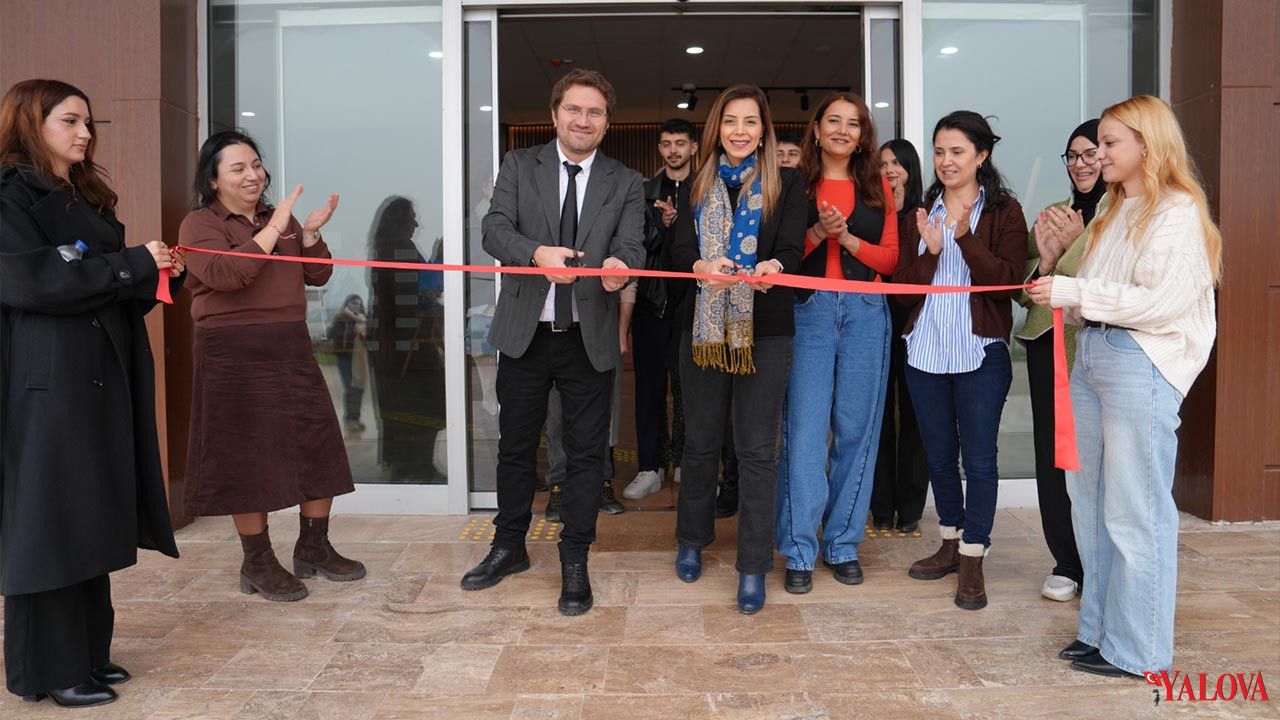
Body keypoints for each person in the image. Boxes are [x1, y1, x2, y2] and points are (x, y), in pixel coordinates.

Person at [0, 78, 184, 708]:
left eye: (88, 122)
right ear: (32, 123)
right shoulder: (10, 195)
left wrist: (160, 274)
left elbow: (105, 287)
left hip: (98, 375)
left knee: (85, 511)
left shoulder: (82, 196)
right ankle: (50, 668)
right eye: (69, 121)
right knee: (50, 520)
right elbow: (35, 282)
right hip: (47, 382)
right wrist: (132, 263)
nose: (84, 133)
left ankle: (86, 652)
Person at [1028, 95, 1220, 678]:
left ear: (1147, 144)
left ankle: (1138, 651)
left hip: (1141, 362)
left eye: (1109, 144)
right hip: (1093, 354)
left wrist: (1073, 292)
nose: (1096, 156)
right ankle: (1099, 632)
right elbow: (1096, 290)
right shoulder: (1114, 209)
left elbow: (1160, 303)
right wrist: (1060, 280)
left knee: (1136, 509)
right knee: (1090, 505)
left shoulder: (1177, 212)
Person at [463, 69, 645, 617]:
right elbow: (494, 229)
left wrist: (619, 268)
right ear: (555, 115)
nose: (583, 120)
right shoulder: (521, 165)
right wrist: (534, 253)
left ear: (606, 123)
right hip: (526, 335)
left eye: (594, 112)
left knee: (587, 456)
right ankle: (509, 546)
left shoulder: (626, 181)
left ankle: (574, 559)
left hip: (588, 337)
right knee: (516, 448)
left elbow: (633, 246)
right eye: (574, 109)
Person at [180, 130, 366, 603]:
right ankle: (258, 562)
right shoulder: (198, 224)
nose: (253, 175)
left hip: (290, 344)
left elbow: (317, 274)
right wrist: (275, 228)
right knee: (246, 459)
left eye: (257, 165)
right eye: (238, 168)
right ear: (213, 179)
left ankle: (314, 548)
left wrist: (310, 234)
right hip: (231, 350)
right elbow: (230, 275)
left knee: (317, 445)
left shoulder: (278, 220)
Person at [670, 84, 806, 614]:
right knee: (700, 443)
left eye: (751, 122)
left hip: (765, 332)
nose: (740, 131)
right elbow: (680, 249)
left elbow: (792, 248)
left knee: (756, 451)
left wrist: (773, 267)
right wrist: (702, 267)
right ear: (717, 129)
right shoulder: (697, 182)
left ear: (764, 131)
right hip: (703, 330)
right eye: (731, 121)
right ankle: (691, 539)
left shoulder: (787, 182)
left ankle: (753, 566)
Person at [893, 111, 1028, 611]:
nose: (946, 161)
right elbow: (903, 293)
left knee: (980, 459)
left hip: (980, 352)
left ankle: (973, 555)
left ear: (981, 156)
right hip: (925, 351)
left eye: (957, 152)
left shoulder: (1004, 212)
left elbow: (1007, 283)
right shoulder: (920, 212)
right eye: (939, 151)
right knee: (938, 456)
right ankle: (949, 541)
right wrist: (930, 251)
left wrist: (966, 236)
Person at [775, 92, 899, 595]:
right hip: (810, 312)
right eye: (834, 121)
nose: (843, 130)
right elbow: (784, 253)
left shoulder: (877, 185)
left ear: (863, 134)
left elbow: (891, 260)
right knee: (805, 433)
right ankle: (799, 548)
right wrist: (817, 232)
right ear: (817, 129)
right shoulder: (793, 182)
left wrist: (846, 240)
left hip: (867, 311)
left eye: (853, 123)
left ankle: (843, 542)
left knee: (856, 431)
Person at [1016, 119, 1107, 603]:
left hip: (1099, 347)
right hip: (1046, 343)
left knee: (1096, 458)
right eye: (1072, 156)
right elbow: (1023, 291)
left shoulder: (1125, 213)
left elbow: (1115, 280)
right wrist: (1047, 262)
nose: (1080, 164)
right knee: (1052, 456)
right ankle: (1066, 563)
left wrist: (1078, 243)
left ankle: (1101, 563)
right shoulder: (1054, 213)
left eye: (1090, 153)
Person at [623, 118, 697, 500]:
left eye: (680, 143)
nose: (673, 150)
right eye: (667, 144)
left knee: (689, 388)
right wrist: (663, 225)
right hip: (652, 303)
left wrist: (682, 224)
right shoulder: (643, 192)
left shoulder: (707, 188)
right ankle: (650, 467)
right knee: (649, 389)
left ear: (693, 148)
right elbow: (632, 245)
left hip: (694, 304)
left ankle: (684, 461)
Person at [366, 196, 447, 482]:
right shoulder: (401, 249)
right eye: (412, 217)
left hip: (391, 346)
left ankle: (404, 466)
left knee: (398, 408)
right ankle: (419, 468)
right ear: (400, 220)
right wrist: (441, 258)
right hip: (410, 346)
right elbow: (424, 290)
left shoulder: (383, 249)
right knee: (424, 403)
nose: (416, 223)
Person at [870, 139, 929, 534]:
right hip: (876, 321)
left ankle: (909, 509)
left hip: (916, 326)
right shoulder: (872, 212)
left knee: (914, 418)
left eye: (896, 163)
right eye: (883, 164)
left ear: (910, 168)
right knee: (877, 417)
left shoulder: (925, 214)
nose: (889, 170)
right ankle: (880, 506)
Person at [329, 293, 369, 434]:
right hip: (344, 358)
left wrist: (364, 334)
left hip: (359, 359)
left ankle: (354, 418)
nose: (356, 306)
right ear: (347, 304)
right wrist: (353, 331)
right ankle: (351, 420)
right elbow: (332, 334)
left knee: (359, 388)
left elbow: (370, 341)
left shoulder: (364, 320)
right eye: (353, 303)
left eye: (358, 303)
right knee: (351, 387)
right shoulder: (340, 318)